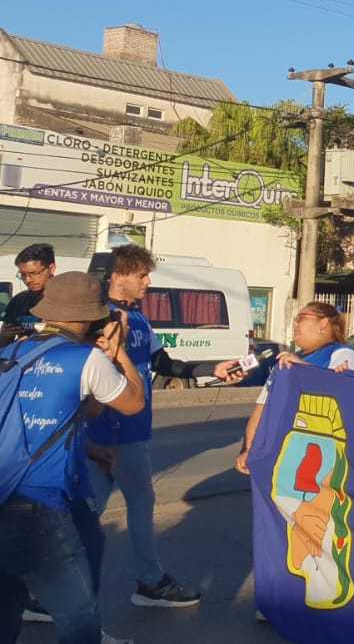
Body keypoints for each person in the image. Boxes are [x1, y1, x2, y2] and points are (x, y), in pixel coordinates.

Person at [1, 271, 147, 644]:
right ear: (89, 316)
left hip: (5, 489)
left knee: (7, 601)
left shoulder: (11, 352)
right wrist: (119, 354)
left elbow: (83, 411)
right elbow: (132, 403)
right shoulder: (84, 359)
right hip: (40, 505)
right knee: (78, 616)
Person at [82, 244, 202, 609]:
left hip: (127, 430)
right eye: (141, 275)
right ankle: (149, 582)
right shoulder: (102, 318)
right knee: (137, 503)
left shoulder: (139, 319)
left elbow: (162, 362)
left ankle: (49, 589)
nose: (148, 282)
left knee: (86, 511)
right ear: (118, 275)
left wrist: (211, 370)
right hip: (117, 431)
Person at [220, 302, 354, 476]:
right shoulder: (287, 360)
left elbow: (349, 401)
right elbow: (263, 407)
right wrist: (249, 449)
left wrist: (303, 368)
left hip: (326, 463)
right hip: (289, 459)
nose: (295, 324)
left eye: (301, 319)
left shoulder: (341, 356)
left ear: (323, 324)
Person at [2, 243, 54, 338]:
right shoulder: (18, 301)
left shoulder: (67, 300)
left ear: (51, 268)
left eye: (34, 273)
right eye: (23, 275)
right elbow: (4, 343)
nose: (28, 280)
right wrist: (5, 336)